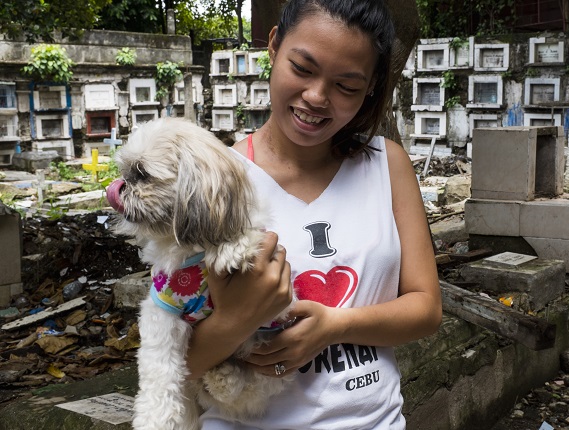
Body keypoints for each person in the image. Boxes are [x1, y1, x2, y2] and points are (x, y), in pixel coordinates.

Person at [185, 0, 442, 428]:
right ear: (273, 45)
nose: (317, 98)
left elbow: (426, 308)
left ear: (372, 87)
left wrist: (333, 326)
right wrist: (236, 319)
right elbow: (178, 360)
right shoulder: (217, 182)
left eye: (346, 86)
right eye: (303, 69)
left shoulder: (387, 165)